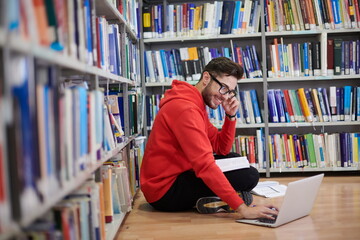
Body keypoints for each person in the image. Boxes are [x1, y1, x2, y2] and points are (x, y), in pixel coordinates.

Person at [140, 57, 278, 220]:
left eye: (230, 91)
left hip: (178, 175)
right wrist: (242, 209)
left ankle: (216, 199)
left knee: (236, 160)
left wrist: (230, 116)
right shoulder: (186, 109)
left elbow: (221, 148)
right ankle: (226, 199)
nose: (225, 97)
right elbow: (204, 165)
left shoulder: (194, 103)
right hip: (165, 191)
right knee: (248, 176)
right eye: (224, 88)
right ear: (206, 78)